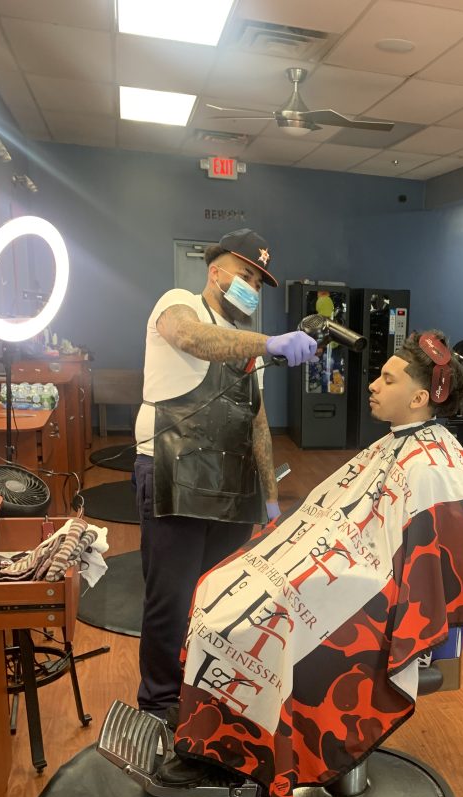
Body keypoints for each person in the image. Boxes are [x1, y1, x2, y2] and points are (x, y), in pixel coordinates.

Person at [156, 329, 463, 797]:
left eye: (387, 379)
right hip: (347, 570)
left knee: (249, 619)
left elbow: (420, 571)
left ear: (420, 397)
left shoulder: (434, 465)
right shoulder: (401, 444)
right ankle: (213, 726)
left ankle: (229, 748)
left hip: (378, 601)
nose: (373, 386)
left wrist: (315, 577)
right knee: (221, 585)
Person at [134, 227, 317, 723]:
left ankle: (204, 687)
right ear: (215, 272)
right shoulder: (179, 304)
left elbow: (255, 420)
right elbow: (191, 338)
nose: (251, 289)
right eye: (245, 276)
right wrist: (271, 341)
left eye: (259, 283)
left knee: (218, 599)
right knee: (169, 599)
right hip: (174, 471)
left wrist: (272, 499)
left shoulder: (246, 347)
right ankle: (159, 703)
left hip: (230, 485)